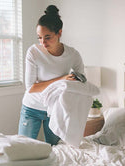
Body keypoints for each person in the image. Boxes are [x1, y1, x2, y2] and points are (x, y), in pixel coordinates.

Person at [18, 5, 85, 145]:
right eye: (39, 38)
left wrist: (74, 80)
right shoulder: (34, 52)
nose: (43, 42)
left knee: (55, 150)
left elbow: (82, 81)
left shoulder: (72, 54)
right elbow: (31, 87)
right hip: (31, 107)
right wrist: (62, 79)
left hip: (55, 109)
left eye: (47, 37)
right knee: (24, 148)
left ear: (59, 33)